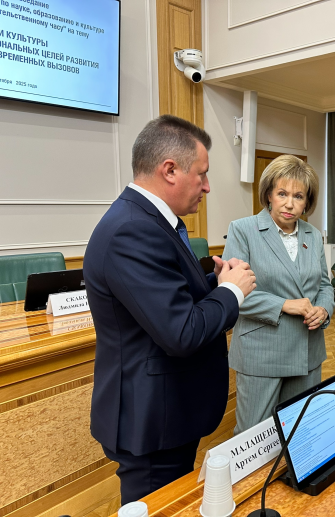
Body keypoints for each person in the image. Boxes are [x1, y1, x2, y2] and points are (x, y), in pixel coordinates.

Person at [84, 115, 256, 504]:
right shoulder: (132, 230)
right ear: (170, 170)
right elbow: (181, 332)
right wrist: (232, 292)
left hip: (167, 412)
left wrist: (213, 283)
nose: (207, 186)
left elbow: (166, 299)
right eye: (202, 174)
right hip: (151, 420)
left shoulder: (150, 221)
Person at [222, 154, 334, 434]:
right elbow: (233, 292)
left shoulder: (312, 235)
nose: (289, 203)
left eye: (298, 196)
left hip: (308, 352)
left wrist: (323, 310)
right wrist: (285, 304)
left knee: (301, 434)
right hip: (262, 352)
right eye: (282, 193)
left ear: (307, 201)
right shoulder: (243, 230)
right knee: (255, 437)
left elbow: (324, 286)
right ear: (269, 195)